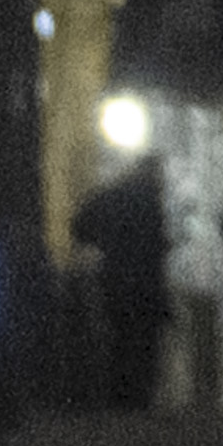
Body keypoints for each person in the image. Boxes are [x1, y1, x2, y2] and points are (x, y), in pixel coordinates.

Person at [69, 156, 172, 410]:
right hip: (145, 284)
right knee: (144, 342)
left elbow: (79, 226)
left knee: (120, 339)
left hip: (114, 281)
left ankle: (119, 397)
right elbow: (157, 244)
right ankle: (139, 399)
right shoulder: (149, 201)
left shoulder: (110, 196)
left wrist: (106, 244)